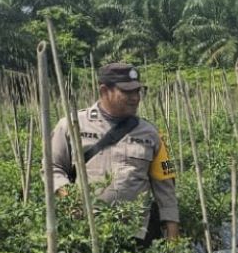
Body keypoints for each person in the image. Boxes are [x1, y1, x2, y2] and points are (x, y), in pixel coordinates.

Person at [50, 62, 179, 243]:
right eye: (127, 92)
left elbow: (166, 191)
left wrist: (173, 242)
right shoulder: (71, 125)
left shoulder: (151, 134)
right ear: (104, 91)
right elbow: (52, 168)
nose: (135, 97)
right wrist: (69, 200)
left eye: (137, 91)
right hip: (85, 233)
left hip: (137, 235)